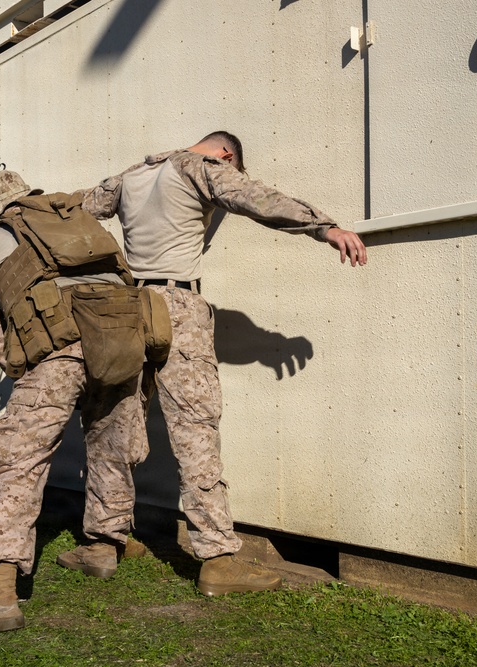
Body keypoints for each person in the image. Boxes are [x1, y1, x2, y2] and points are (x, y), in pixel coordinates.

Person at [77, 131, 367, 596]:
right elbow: (258, 199)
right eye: (231, 168)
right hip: (177, 306)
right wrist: (325, 227)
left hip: (127, 308)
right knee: (195, 429)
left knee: (114, 421)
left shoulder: (131, 176)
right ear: (226, 155)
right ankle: (216, 560)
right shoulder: (201, 169)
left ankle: (100, 543)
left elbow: (76, 210)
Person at [0, 170, 149, 632]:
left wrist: (29, 368)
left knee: (20, 460)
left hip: (57, 350)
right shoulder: (76, 219)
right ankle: (104, 547)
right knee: (112, 444)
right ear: (30, 198)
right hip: (120, 339)